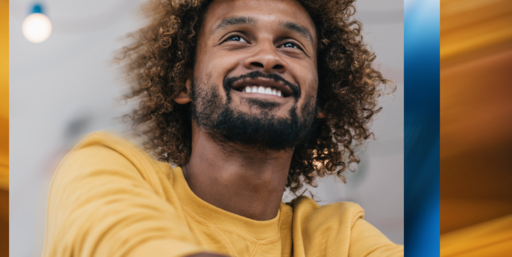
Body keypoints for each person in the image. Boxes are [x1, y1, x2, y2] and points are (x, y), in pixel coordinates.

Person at [43, 0, 403, 256]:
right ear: (184, 83)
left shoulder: (336, 238)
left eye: (290, 45)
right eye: (237, 37)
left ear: (322, 99)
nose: (267, 57)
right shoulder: (106, 166)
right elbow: (120, 238)